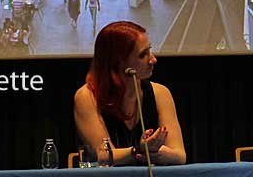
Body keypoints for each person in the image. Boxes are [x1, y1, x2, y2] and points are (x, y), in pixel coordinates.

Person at [74, 21, 186, 165]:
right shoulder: (87, 96)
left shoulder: (160, 93)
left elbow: (179, 156)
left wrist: (151, 150)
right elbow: (103, 156)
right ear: (119, 62)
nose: (153, 59)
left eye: (149, 50)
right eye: (142, 55)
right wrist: (138, 150)